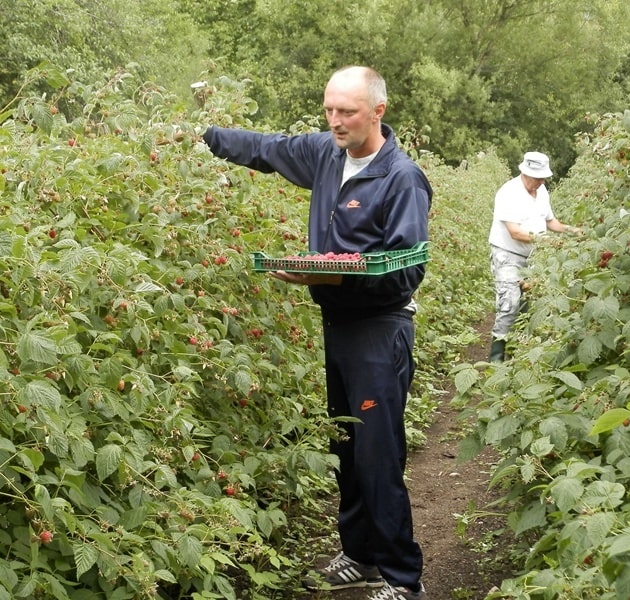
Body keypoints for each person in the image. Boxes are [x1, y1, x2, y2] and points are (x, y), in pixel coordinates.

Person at [202, 66, 430, 600]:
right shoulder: (325, 153)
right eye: (329, 110)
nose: (335, 121)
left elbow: (406, 266)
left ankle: (403, 577)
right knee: (347, 444)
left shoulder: (401, 178)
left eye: (346, 111)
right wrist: (203, 138)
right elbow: (266, 148)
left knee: (378, 453)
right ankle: (359, 555)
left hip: (380, 328)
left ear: (378, 111)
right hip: (339, 325)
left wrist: (329, 271)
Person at [487, 151, 579, 362]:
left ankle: (519, 353)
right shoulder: (508, 193)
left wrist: (571, 230)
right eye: (538, 178)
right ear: (525, 172)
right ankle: (497, 358)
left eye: (543, 178)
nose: (541, 181)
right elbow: (515, 232)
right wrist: (545, 241)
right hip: (507, 254)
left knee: (530, 305)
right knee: (509, 302)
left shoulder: (542, 192)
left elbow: (550, 222)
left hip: (533, 257)